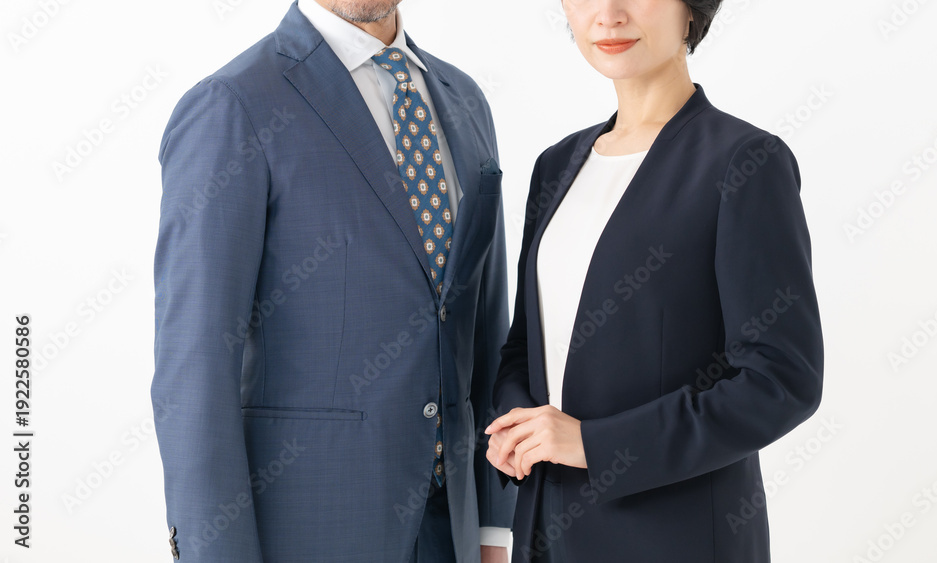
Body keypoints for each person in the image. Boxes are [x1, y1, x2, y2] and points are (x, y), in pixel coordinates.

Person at [152, 1, 514, 561]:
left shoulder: (463, 98)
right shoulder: (234, 104)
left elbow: (486, 327)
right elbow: (194, 367)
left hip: (454, 534)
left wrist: (493, 528)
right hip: (309, 528)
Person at [485, 0, 824, 561]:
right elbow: (526, 347)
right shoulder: (556, 165)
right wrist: (517, 424)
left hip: (673, 538)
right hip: (547, 530)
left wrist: (595, 444)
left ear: (691, 11)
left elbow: (780, 381)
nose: (608, 14)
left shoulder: (744, 161)